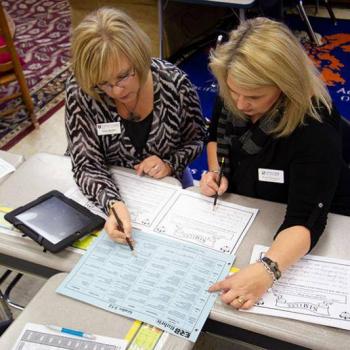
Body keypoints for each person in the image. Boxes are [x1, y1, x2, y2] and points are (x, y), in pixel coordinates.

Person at [200, 17, 350, 310]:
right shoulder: (234, 88)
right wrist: (217, 170)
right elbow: (215, 137)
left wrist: (268, 269)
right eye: (233, 92)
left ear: (286, 85)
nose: (240, 104)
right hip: (254, 207)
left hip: (318, 211)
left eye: (255, 96)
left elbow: (306, 219)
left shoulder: (314, 127)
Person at [65, 7, 206, 246]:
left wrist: (170, 164)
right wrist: (112, 203)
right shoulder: (83, 91)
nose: (117, 91)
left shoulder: (174, 83)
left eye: (123, 76)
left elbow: (196, 140)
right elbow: (86, 162)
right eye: (104, 84)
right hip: (105, 189)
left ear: (139, 57)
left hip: (165, 188)